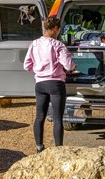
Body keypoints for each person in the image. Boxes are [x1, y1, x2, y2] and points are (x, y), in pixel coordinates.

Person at [23, 16, 76, 153]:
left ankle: (39, 148)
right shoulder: (58, 45)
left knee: (40, 116)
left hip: (40, 84)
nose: (58, 33)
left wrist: (39, 70)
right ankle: (58, 150)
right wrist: (71, 62)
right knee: (58, 117)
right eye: (58, 30)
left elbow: (27, 65)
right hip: (56, 84)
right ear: (55, 29)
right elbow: (69, 66)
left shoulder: (34, 44)